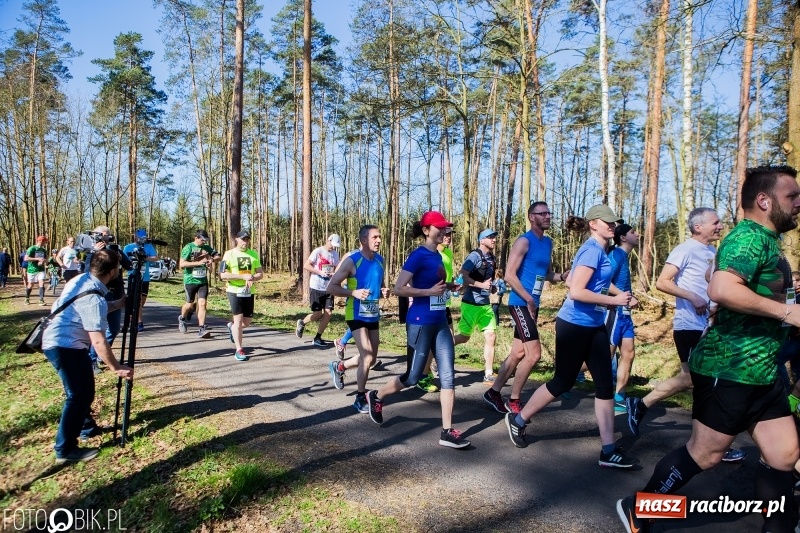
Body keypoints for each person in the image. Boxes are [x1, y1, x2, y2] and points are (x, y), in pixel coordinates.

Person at [617, 165, 800, 533]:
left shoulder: (766, 241)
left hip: (762, 369)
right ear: (764, 200)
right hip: (730, 368)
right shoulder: (749, 238)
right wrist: (786, 312)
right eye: (792, 196)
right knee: (706, 454)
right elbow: (720, 289)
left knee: (784, 454)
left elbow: (723, 285)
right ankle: (640, 508)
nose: (798, 203)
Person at [504, 205, 638, 469]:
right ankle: (518, 421)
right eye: (606, 222)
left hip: (594, 324)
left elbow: (572, 281)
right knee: (562, 382)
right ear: (593, 225)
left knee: (604, 386)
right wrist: (614, 300)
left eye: (614, 223)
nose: (612, 226)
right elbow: (576, 291)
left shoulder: (600, 251)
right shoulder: (591, 250)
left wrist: (618, 296)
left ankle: (608, 450)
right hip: (574, 325)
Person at [624, 208, 746, 462]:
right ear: (698, 227)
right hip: (689, 325)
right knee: (696, 381)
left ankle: (708, 442)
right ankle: (708, 444)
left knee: (703, 382)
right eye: (715, 222)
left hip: (710, 326)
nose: (720, 226)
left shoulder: (713, 253)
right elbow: (663, 282)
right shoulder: (685, 249)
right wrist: (693, 297)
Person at [365, 211, 470, 449]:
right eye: (440, 228)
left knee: (447, 376)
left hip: (441, 322)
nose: (444, 232)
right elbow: (398, 288)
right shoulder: (418, 256)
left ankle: (447, 431)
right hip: (420, 321)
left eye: (446, 228)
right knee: (413, 377)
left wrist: (450, 287)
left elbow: (436, 286)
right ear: (426, 230)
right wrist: (428, 292)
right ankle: (377, 396)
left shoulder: (440, 256)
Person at [42, 248, 133, 463]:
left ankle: (84, 428)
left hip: (58, 342)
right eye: (118, 269)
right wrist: (116, 367)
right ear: (112, 272)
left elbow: (89, 308)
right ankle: (64, 449)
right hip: (66, 347)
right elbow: (99, 341)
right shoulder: (95, 298)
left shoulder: (81, 280)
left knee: (78, 393)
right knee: (80, 395)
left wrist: (118, 304)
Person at [483, 202, 568, 414]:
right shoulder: (523, 241)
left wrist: (562, 276)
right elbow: (510, 275)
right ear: (531, 217)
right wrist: (529, 299)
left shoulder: (548, 243)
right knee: (534, 355)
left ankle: (493, 393)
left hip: (532, 304)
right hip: (520, 303)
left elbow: (548, 274)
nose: (548, 216)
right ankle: (514, 400)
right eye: (543, 213)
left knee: (518, 352)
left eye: (549, 213)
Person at [326, 225, 385, 412]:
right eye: (375, 237)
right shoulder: (352, 261)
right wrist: (353, 292)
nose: (378, 240)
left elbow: (379, 286)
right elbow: (331, 287)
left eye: (379, 237)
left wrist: (384, 291)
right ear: (363, 241)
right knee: (367, 356)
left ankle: (340, 367)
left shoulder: (380, 261)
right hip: (356, 313)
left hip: (372, 313)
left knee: (372, 358)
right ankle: (360, 398)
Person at [85, 226, 132, 374]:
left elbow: (128, 265)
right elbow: (86, 272)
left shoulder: (114, 248)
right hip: (98, 293)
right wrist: (94, 252)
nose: (105, 238)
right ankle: (92, 360)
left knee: (113, 328)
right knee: (97, 328)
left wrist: (115, 253)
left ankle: (100, 356)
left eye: (108, 235)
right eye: (102, 235)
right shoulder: (90, 250)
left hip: (115, 293)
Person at [454, 229, 499, 383]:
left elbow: (487, 282)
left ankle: (488, 372)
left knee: (491, 336)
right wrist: (481, 285)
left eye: (494, 237)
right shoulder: (474, 256)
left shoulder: (492, 258)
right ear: (481, 240)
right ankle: (438, 350)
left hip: (485, 305)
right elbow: (463, 276)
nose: (494, 240)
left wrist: (491, 288)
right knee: (464, 338)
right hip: (470, 304)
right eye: (490, 237)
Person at [606, 224, 640, 412]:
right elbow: (604, 281)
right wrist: (627, 297)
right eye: (633, 232)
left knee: (629, 353)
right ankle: (565, 379)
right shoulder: (617, 255)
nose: (637, 235)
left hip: (625, 314)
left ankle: (619, 396)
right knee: (604, 358)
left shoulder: (624, 256)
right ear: (623, 238)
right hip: (613, 313)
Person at [220, 230, 264, 361]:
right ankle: (239, 350)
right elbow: (223, 275)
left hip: (248, 291)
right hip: (234, 290)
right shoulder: (229, 254)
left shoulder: (253, 254)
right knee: (238, 320)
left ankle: (232, 328)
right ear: (236, 239)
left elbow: (260, 273)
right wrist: (241, 276)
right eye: (243, 239)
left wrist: (252, 277)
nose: (245, 242)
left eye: (247, 239)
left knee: (247, 322)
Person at [296, 234, 341, 346]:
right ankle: (302, 323)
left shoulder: (335, 254)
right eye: (332, 244)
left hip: (329, 287)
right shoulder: (318, 251)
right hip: (316, 286)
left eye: (335, 246)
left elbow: (338, 268)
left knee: (328, 313)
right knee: (317, 314)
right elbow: (307, 265)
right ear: (328, 240)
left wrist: (334, 274)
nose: (333, 247)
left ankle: (317, 337)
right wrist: (320, 272)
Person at [178, 230, 221, 338]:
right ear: (196, 238)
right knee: (189, 305)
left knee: (202, 303)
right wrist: (198, 263)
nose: (204, 242)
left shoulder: (207, 248)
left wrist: (212, 260)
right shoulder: (188, 247)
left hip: (203, 281)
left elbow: (219, 256)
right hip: (190, 280)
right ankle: (182, 318)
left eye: (205, 240)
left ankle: (202, 328)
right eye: (202, 239)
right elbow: (181, 264)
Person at [123, 229, 159, 332]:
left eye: (144, 238)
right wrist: (133, 259)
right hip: (133, 276)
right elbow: (124, 260)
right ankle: (139, 322)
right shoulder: (128, 247)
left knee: (141, 301)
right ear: (135, 237)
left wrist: (144, 258)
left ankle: (134, 315)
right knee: (137, 300)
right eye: (140, 237)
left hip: (145, 277)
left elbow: (155, 258)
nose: (142, 240)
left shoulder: (148, 247)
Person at [24, 235, 49, 305]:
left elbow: (46, 260)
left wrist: (43, 261)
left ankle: (41, 300)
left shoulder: (44, 250)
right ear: (40, 241)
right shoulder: (32, 249)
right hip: (32, 269)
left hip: (41, 269)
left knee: (41, 283)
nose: (45, 243)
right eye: (45, 241)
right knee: (30, 285)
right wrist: (37, 259)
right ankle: (27, 298)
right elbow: (26, 258)